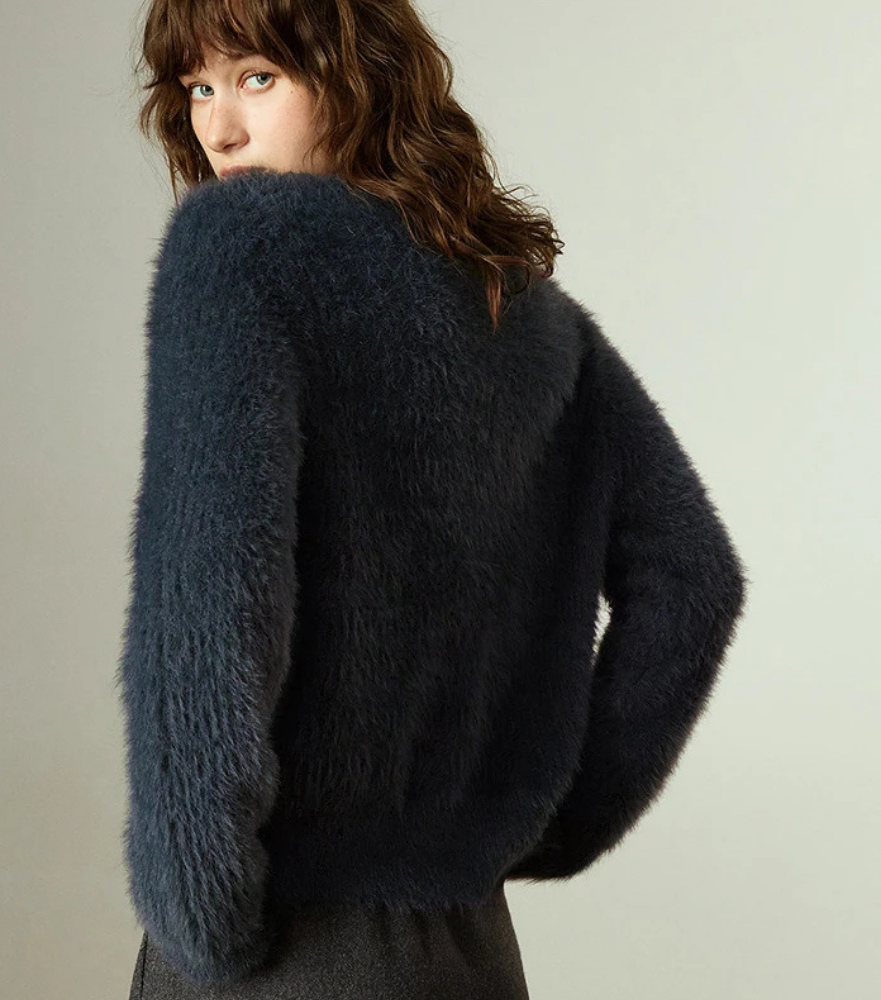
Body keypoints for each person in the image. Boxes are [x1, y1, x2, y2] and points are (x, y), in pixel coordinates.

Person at [118, 2, 749, 998]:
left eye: (258, 78)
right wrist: (550, 821)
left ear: (357, 74)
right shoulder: (532, 315)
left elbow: (210, 593)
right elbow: (694, 579)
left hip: (288, 941)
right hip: (471, 944)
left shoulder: (238, 249)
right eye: (199, 87)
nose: (219, 128)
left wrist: (197, 907)